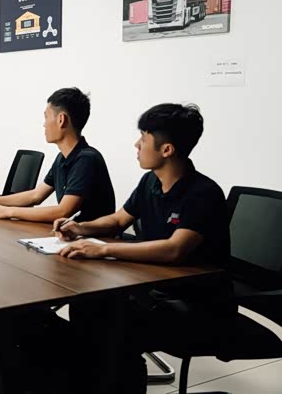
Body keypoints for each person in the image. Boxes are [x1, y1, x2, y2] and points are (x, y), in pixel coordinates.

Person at [55, 103, 234, 394]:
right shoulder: (151, 181)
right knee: (88, 309)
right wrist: (81, 228)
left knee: (114, 328)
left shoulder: (203, 193)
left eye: (143, 137)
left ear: (167, 150)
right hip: (155, 289)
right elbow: (118, 220)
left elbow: (174, 249)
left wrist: (103, 250)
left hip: (198, 305)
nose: (136, 145)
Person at [0, 87, 115, 222]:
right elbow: (36, 195)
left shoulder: (86, 159)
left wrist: (6, 212)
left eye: (46, 117)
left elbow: (63, 211)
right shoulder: (62, 158)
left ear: (61, 120)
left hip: (96, 240)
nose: (44, 124)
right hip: (75, 236)